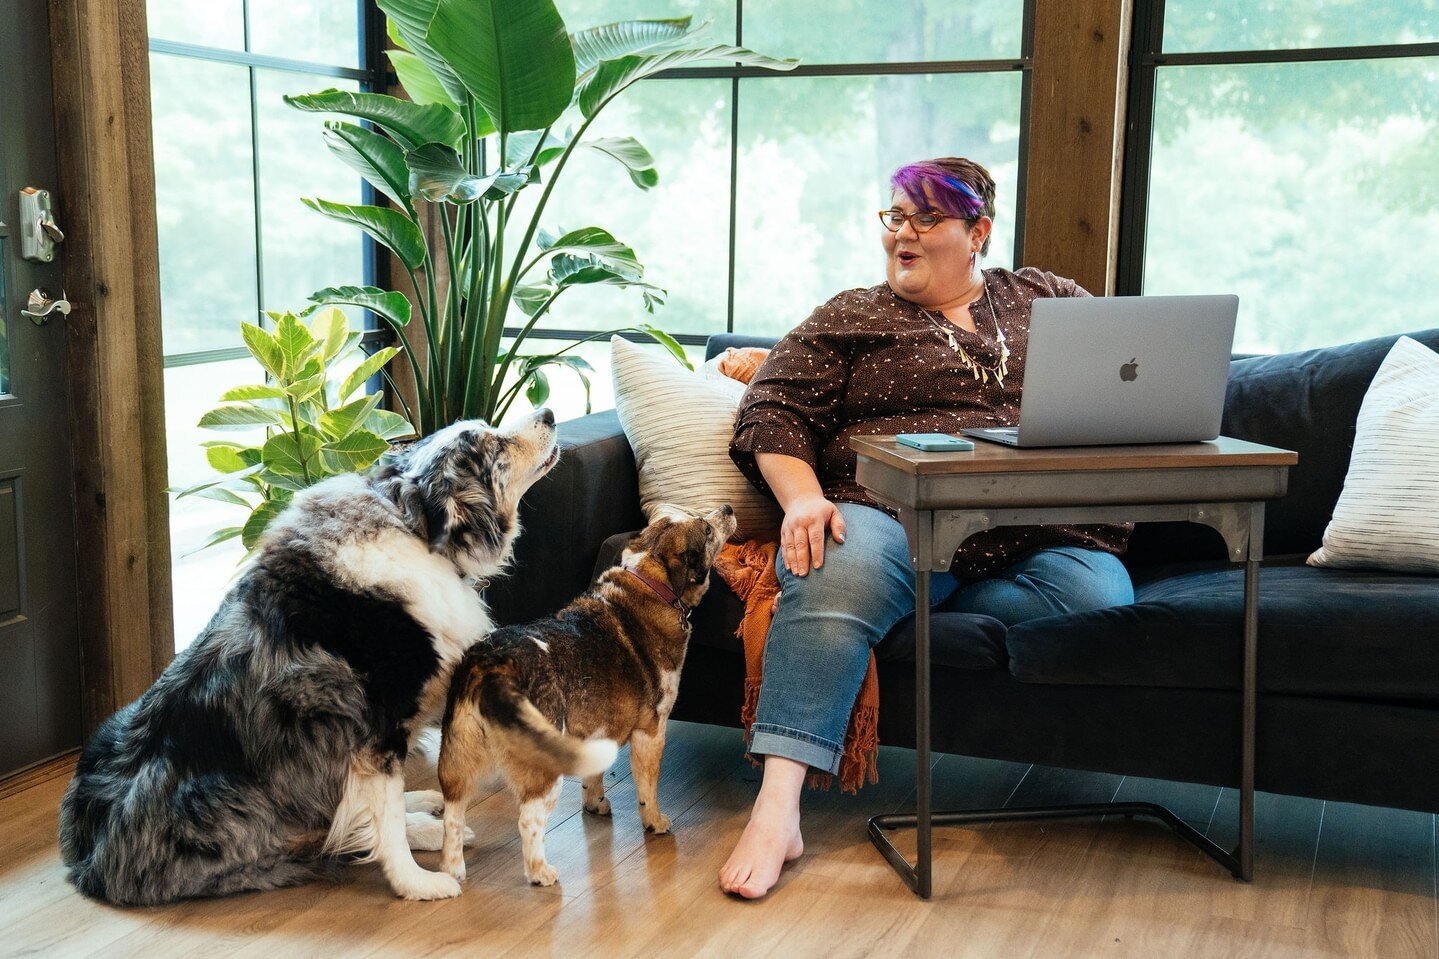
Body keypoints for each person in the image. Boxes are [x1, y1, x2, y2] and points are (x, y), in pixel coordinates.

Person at [718, 157, 1136, 899]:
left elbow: (1118, 381)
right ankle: (777, 807)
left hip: (1040, 534)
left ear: (977, 232)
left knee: (1097, 606)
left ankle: (898, 601)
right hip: (893, 515)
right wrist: (803, 500)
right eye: (895, 216)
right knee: (832, 565)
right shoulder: (852, 314)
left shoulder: (1048, 297)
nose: (901, 234)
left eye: (925, 218)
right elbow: (771, 410)